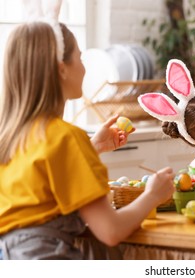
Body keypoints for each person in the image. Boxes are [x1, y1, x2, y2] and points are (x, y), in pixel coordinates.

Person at [0, 19, 175, 259]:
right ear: (62, 69)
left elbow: (39, 182)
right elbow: (111, 231)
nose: (84, 69)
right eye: (80, 58)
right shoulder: (65, 137)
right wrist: (153, 195)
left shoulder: (10, 135)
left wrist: (92, 148)